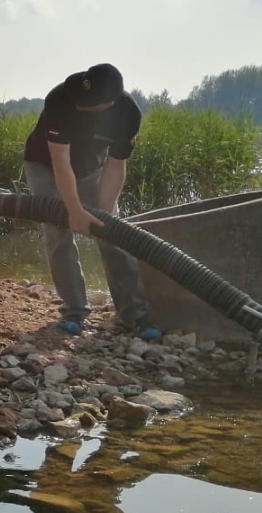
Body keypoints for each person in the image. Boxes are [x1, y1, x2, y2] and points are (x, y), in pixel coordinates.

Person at [22, 63, 160, 340]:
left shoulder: (128, 113)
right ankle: (74, 310)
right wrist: (74, 210)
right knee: (58, 236)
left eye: (88, 103)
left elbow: (115, 167)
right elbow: (61, 164)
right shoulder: (60, 98)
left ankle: (132, 313)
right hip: (45, 167)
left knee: (114, 234)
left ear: (109, 103)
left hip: (92, 170)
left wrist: (105, 216)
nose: (79, 104)